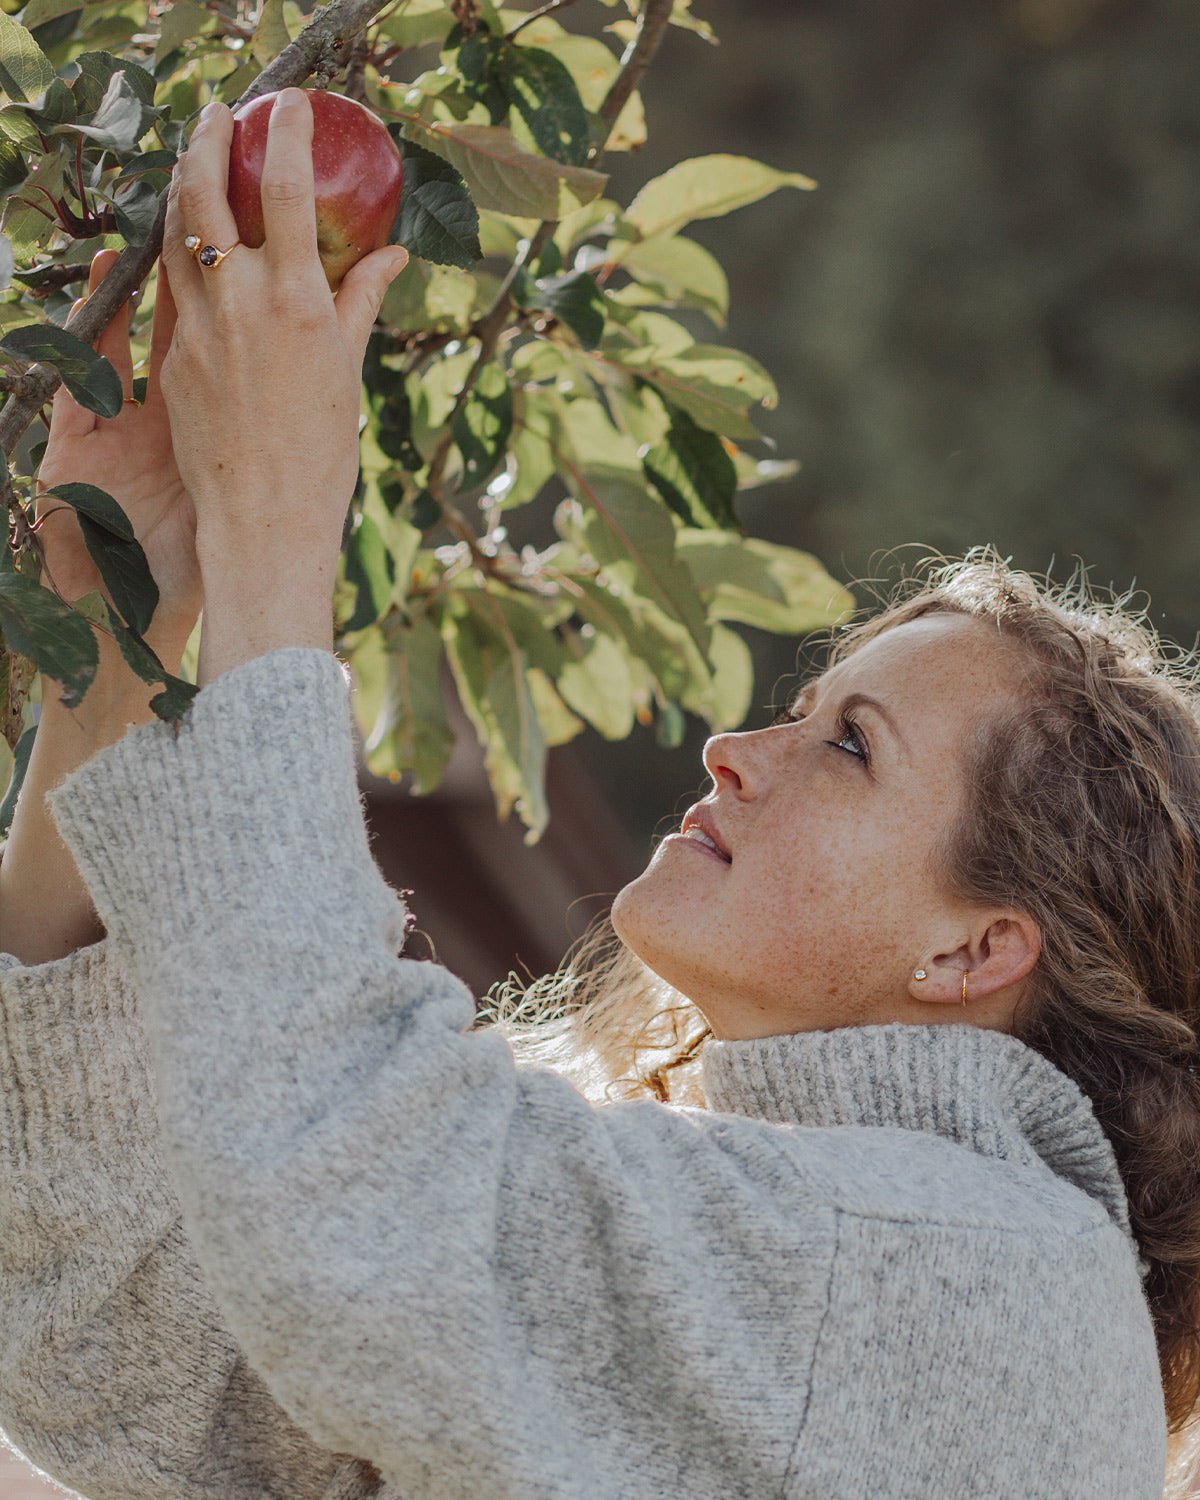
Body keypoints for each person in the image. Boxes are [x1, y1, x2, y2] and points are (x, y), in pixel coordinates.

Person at [0, 86, 1192, 1499]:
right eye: (802, 712)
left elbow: (346, 1203)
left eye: (851, 746)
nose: (735, 749)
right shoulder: (775, 1239)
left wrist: (278, 514)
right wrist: (115, 650)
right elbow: (121, 1361)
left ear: (976, 948)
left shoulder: (983, 1275)